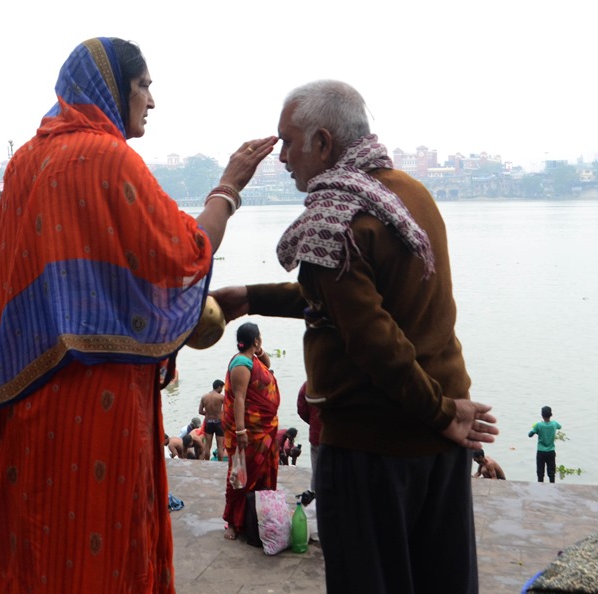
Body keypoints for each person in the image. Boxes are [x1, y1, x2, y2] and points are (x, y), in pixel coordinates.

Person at [0, 37, 276, 594]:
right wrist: (229, 186)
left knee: (37, 540)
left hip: (24, 395)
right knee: (102, 539)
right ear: (113, 88)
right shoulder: (108, 157)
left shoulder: (22, 164)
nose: (151, 101)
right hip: (97, 396)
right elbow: (186, 253)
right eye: (143, 86)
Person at [211, 80, 498, 592]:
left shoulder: (333, 218)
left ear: (323, 142)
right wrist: (252, 297)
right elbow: (346, 301)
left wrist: (441, 413)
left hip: (373, 445)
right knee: (441, 579)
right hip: (437, 437)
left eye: (288, 142)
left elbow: (373, 340)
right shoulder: (407, 193)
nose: (282, 158)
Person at [222, 322, 280, 541]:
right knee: (239, 475)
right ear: (255, 340)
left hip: (264, 431)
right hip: (249, 432)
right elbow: (239, 398)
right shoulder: (241, 364)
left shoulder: (253, 359)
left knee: (261, 474)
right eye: (259, 338)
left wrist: (259, 349)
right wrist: (241, 431)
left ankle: (256, 519)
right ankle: (232, 522)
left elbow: (267, 363)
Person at [296, 381, 321, 492]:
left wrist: (313, 422)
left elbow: (301, 409)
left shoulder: (309, 384)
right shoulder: (343, 381)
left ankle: (316, 496)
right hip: (341, 438)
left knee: (317, 471)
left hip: (317, 435)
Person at [529, 405, 561, 483]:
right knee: (551, 473)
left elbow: (529, 434)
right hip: (551, 451)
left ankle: (540, 488)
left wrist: (535, 429)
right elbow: (560, 427)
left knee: (540, 473)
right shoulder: (554, 424)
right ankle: (552, 486)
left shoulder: (539, 425)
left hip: (541, 452)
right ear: (551, 415)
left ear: (542, 415)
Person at [199, 379, 225, 460]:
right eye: (222, 388)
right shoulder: (221, 397)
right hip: (218, 423)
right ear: (219, 387)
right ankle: (220, 464)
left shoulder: (204, 397)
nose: (222, 390)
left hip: (208, 422)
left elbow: (200, 411)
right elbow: (226, 411)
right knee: (220, 446)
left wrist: (208, 414)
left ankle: (207, 463)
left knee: (207, 445)